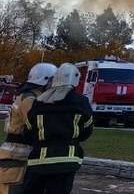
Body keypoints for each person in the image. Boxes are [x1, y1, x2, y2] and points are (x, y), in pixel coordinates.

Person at [22, 63, 94, 194]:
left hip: (38, 161)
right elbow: (87, 129)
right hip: (66, 161)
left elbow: (28, 130)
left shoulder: (39, 102)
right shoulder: (81, 102)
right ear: (76, 79)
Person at [0, 63, 56, 194]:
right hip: (17, 156)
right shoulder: (30, 99)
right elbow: (36, 125)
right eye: (53, 80)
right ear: (45, 80)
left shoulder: (28, 95)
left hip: (17, 154)